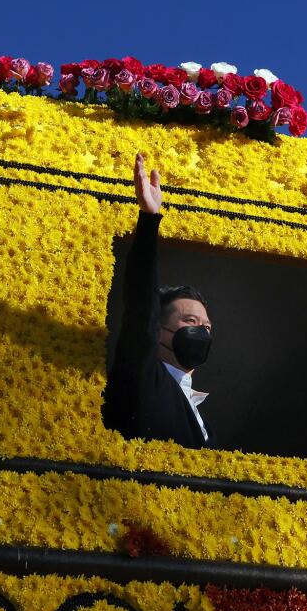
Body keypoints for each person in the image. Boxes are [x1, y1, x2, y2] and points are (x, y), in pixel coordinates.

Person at [102, 155, 215, 449]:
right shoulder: (142, 375)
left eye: (206, 326)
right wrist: (149, 219)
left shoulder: (198, 411)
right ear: (160, 329)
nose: (201, 331)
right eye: (190, 321)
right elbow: (142, 310)